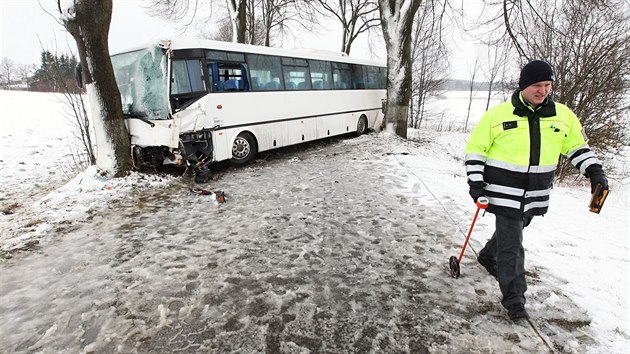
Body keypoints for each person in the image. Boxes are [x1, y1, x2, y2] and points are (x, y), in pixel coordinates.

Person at [464, 60, 608, 321]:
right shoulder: (497, 116)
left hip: (536, 194)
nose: (543, 91)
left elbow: (577, 148)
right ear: (523, 86)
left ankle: (487, 255)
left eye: (548, 85)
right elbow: (476, 151)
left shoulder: (563, 116)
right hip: (502, 191)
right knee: (513, 245)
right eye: (537, 85)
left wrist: (594, 172)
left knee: (515, 231)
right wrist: (475, 184)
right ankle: (514, 299)